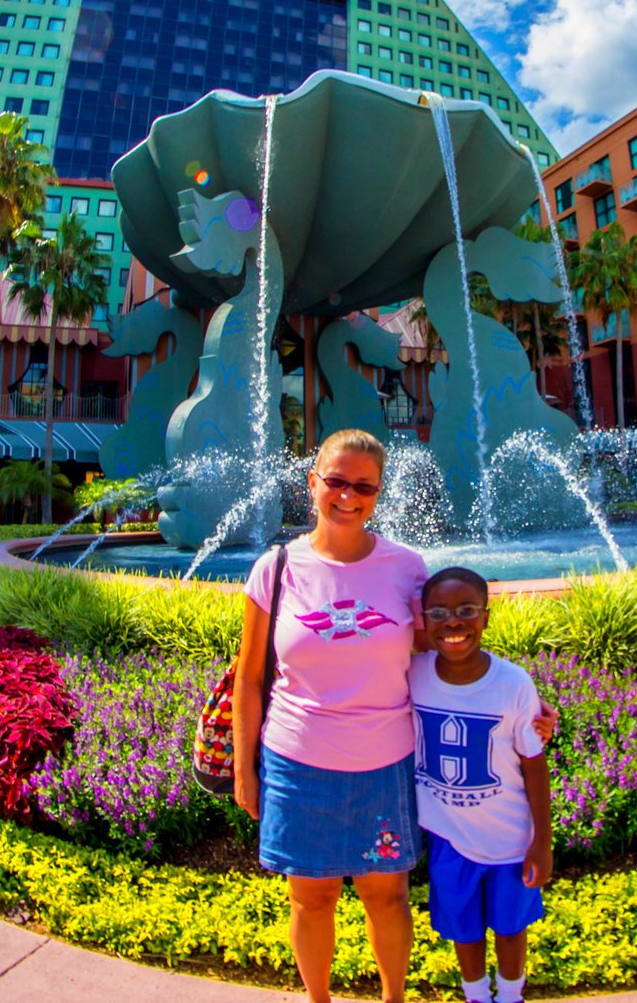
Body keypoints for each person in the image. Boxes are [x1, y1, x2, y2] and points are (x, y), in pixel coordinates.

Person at [232, 429, 429, 1003]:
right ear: (312, 481)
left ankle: (393, 998)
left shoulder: (408, 568)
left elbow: (443, 655)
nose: (348, 495)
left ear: (379, 493)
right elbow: (248, 677)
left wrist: (514, 697)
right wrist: (245, 769)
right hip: (297, 763)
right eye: (336, 481)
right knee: (310, 898)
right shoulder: (276, 567)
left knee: (385, 898)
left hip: (384, 763)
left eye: (363, 486)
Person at [412, 567, 552, 1003]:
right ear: (424, 621)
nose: (454, 622)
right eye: (439, 612)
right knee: (463, 928)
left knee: (512, 927)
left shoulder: (512, 683)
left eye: (466, 610)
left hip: (510, 839)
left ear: (486, 618)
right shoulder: (412, 673)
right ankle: (475, 994)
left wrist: (542, 842)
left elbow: (534, 765)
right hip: (450, 839)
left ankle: (511, 995)